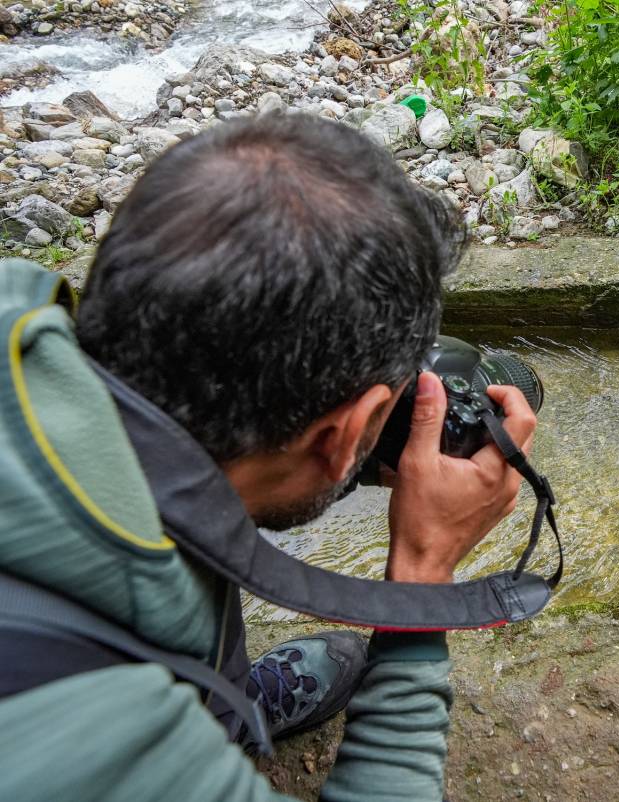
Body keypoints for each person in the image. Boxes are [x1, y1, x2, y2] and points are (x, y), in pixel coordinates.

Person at [0, 113, 537, 801]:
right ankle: (194, 723)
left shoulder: (27, 317)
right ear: (343, 437)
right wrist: (423, 573)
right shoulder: (83, 744)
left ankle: (217, 703)